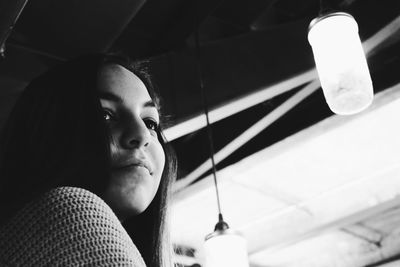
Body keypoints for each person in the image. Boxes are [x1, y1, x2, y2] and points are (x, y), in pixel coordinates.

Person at [0, 53, 177, 267]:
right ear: (45, 132)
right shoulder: (68, 210)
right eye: (105, 115)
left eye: (150, 123)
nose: (142, 135)